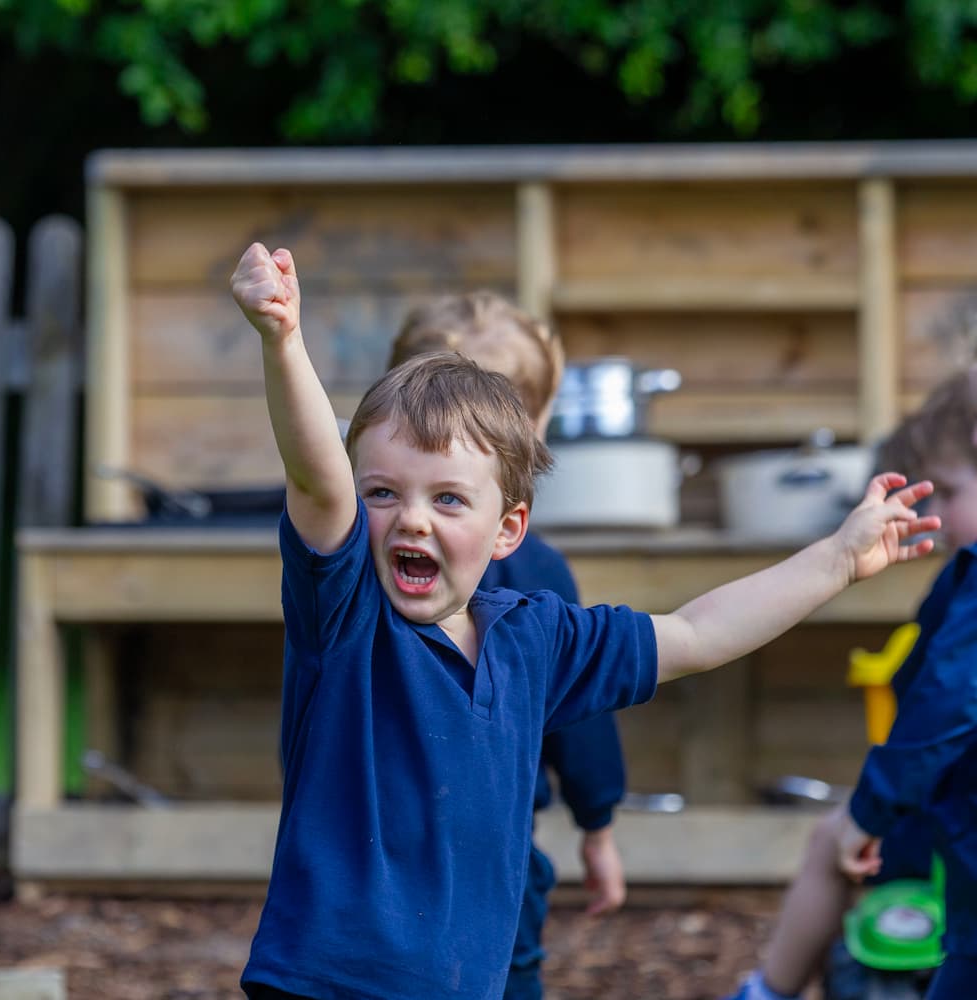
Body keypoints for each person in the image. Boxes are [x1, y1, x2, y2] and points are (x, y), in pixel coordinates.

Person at [230, 241, 937, 1000]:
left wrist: (834, 559)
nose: (412, 521)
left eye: (447, 498)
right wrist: (283, 339)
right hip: (324, 986)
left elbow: (698, 634)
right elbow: (316, 476)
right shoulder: (346, 620)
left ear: (510, 528)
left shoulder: (537, 637)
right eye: (382, 494)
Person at [388, 291, 628, 999]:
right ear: (531, 430)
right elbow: (580, 715)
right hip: (497, 863)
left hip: (368, 851)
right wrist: (599, 825)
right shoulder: (538, 572)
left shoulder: (360, 563)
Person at [723, 365, 977, 1000]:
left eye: (947, 492)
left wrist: (870, 811)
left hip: (950, 821)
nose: (937, 518)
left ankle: (767, 992)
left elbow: (949, 701)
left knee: (833, 838)